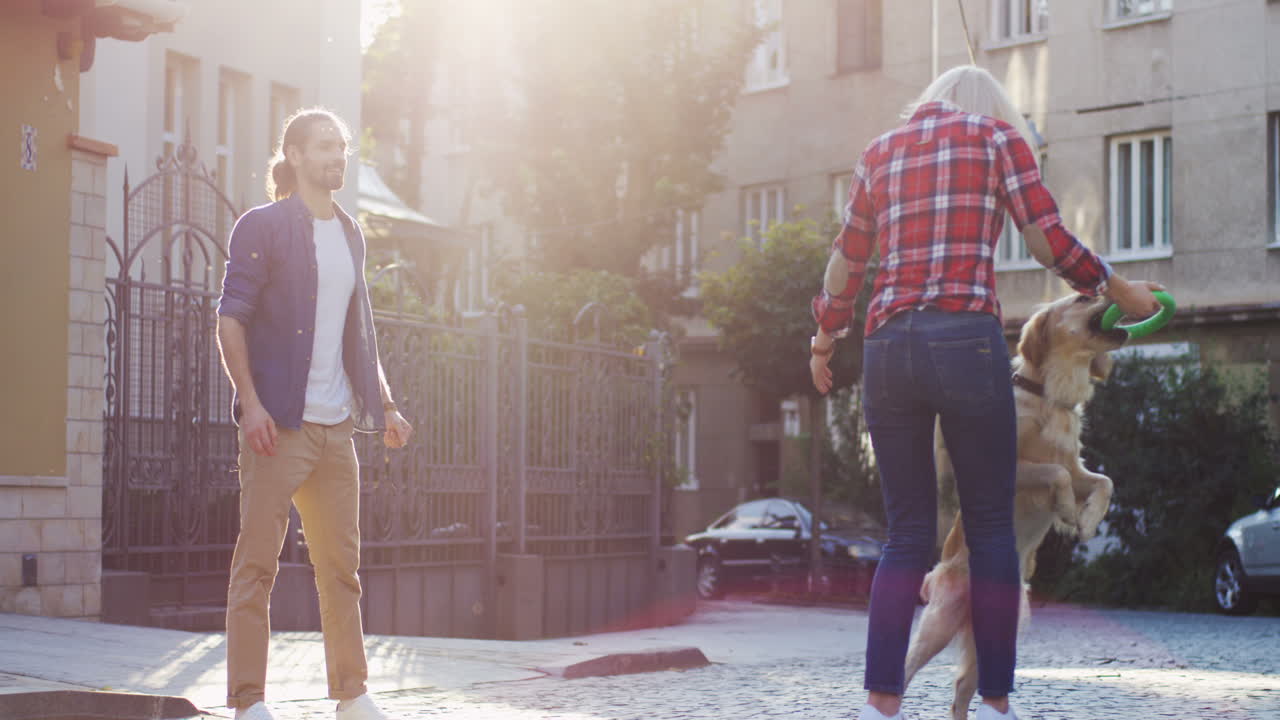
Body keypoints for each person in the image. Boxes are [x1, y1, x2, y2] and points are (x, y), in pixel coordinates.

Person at [808, 66, 1163, 720]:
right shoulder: (998, 138)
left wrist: (825, 338)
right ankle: (996, 698)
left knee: (906, 533)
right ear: (993, 108)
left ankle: (880, 698)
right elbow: (1044, 238)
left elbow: (847, 260)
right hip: (965, 342)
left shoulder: (878, 152)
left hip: (888, 346)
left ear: (929, 101)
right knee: (993, 524)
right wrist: (1117, 290)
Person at [216, 108, 415, 720]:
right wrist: (251, 406)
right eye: (325, 146)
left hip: (337, 432)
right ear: (295, 155)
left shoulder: (351, 233)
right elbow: (230, 318)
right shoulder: (263, 226)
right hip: (278, 426)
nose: (337, 157)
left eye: (342, 147)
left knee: (341, 572)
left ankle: (351, 695)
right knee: (257, 568)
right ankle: (249, 702)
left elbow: (361, 332)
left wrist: (383, 404)